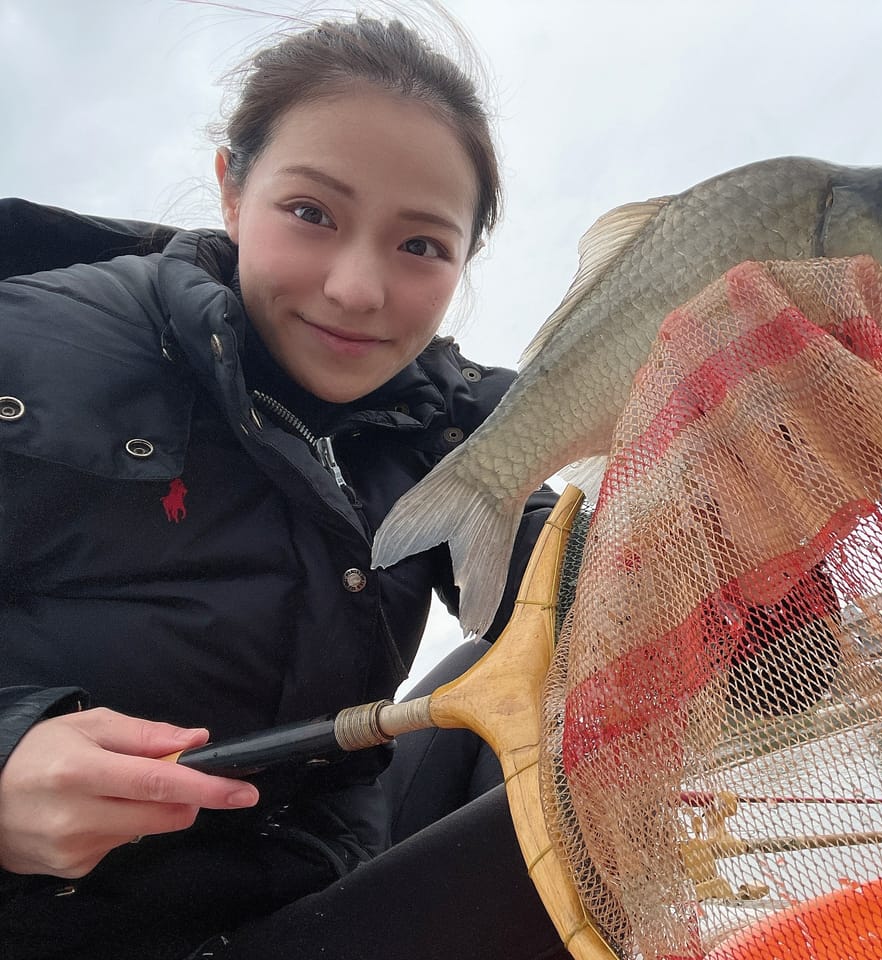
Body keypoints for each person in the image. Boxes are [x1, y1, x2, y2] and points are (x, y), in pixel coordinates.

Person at [0, 12, 570, 960]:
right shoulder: (35, 338)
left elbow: (724, 663)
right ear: (232, 190)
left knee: (530, 684)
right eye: (311, 213)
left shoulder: (457, 430)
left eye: (420, 245)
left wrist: (757, 553)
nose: (355, 288)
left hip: (320, 874)